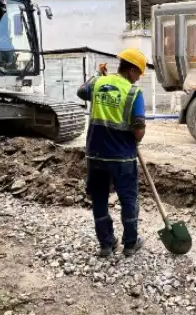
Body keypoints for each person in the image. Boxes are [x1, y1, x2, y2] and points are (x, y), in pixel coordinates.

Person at [77, 48, 148, 257]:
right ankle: (130, 245)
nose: (138, 79)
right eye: (139, 74)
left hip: (95, 155)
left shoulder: (98, 83)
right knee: (129, 200)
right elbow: (139, 129)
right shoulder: (134, 93)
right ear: (133, 70)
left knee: (99, 200)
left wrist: (98, 76)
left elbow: (81, 91)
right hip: (122, 157)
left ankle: (106, 245)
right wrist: (136, 138)